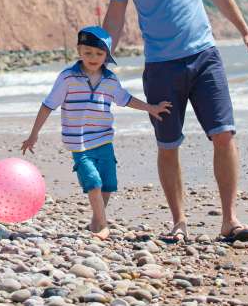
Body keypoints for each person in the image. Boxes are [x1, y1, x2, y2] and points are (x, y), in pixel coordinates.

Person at [101, 0, 248, 242]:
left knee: (223, 134)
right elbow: (115, 15)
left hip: (204, 56)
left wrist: (246, 31)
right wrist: (99, 57)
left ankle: (230, 220)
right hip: (160, 65)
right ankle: (178, 222)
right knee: (168, 144)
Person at [20, 25, 171, 239]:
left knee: (108, 184)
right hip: (79, 143)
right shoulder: (67, 78)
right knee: (93, 181)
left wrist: (151, 108)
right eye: (88, 52)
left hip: (103, 140)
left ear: (107, 56)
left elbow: (126, 99)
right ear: (79, 51)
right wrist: (34, 134)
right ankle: (102, 226)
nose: (93, 57)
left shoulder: (110, 80)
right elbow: (48, 105)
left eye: (99, 54)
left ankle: (95, 221)